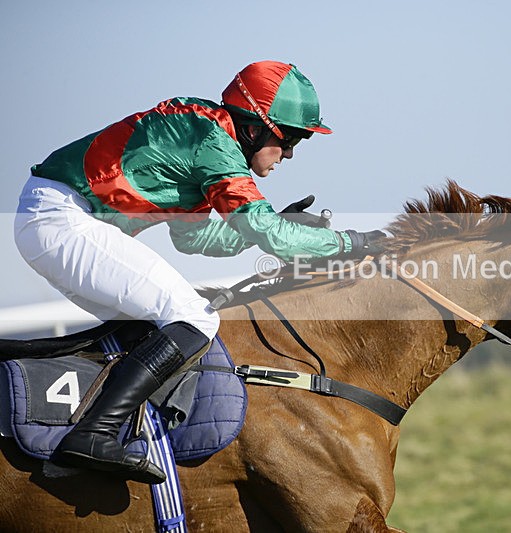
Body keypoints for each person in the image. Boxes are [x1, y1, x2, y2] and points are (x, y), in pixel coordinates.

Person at [14, 60, 384, 484]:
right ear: (252, 128)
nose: (292, 153)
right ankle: (94, 434)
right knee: (195, 317)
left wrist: (278, 225)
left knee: (152, 327)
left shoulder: (204, 134)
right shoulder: (212, 141)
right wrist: (353, 243)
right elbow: (270, 235)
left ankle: (104, 439)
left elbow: (196, 240)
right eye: (291, 138)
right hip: (61, 219)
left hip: (56, 220)